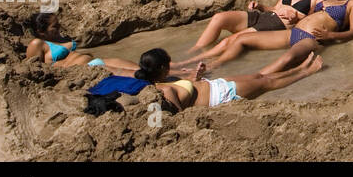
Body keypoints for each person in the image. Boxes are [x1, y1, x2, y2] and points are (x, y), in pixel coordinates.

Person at [187, 0, 353, 69]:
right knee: (242, 39)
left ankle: (260, 78)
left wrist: (330, 37)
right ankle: (211, 66)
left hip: (312, 38)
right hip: (293, 32)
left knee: (286, 59)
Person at [185, 0, 327, 56]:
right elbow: (275, 8)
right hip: (265, 16)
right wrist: (259, 6)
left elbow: (321, 19)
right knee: (219, 18)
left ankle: (192, 61)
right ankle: (194, 51)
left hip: (277, 25)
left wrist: (297, 17)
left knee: (231, 39)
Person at [137, 48, 324, 111]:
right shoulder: (163, 91)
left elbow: (188, 89)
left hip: (215, 85)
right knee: (268, 84)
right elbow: (182, 116)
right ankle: (306, 72)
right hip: (221, 96)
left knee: (261, 76)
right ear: (161, 68)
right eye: (168, 64)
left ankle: (300, 68)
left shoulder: (162, 81)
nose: (171, 67)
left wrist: (198, 75)